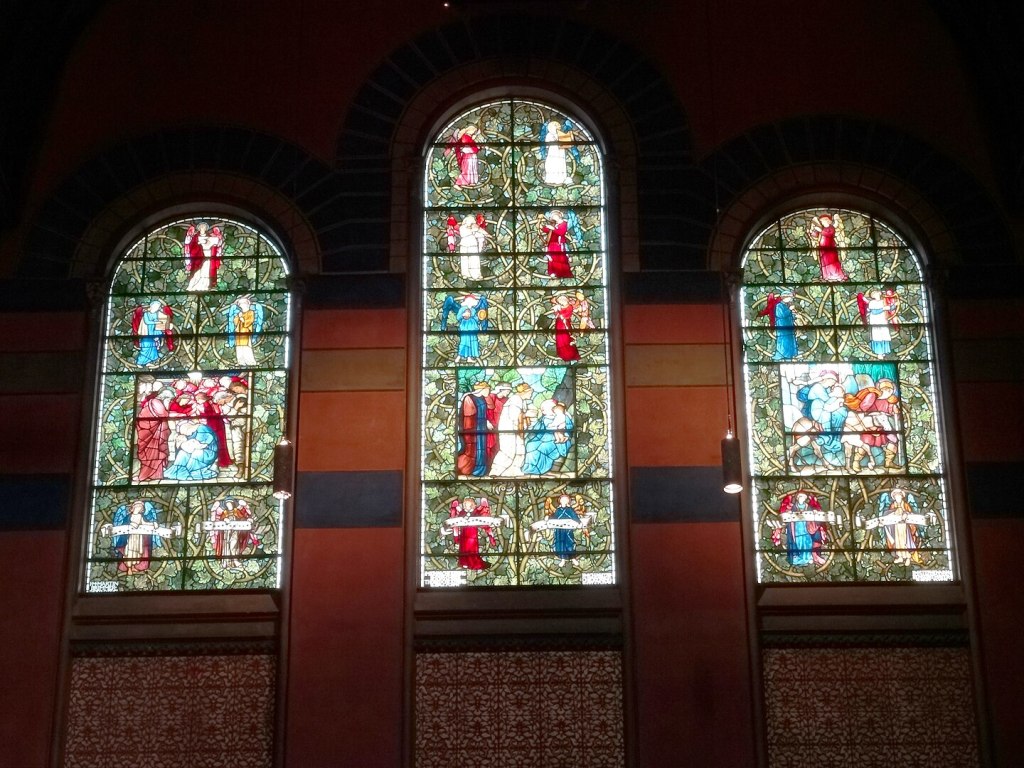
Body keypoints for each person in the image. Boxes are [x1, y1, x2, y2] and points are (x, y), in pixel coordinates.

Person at [843, 378, 902, 469]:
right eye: (884, 389)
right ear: (879, 389)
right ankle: (856, 463)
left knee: (893, 441)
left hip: (882, 429)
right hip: (869, 427)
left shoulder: (890, 403)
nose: (887, 392)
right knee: (864, 444)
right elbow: (862, 410)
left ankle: (888, 462)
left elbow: (895, 415)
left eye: (889, 390)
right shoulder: (872, 398)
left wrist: (896, 411)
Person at [772, 491, 828, 567]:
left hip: (806, 528)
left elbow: (813, 515)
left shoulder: (808, 507)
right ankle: (800, 558)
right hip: (797, 529)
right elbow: (787, 516)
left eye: (803, 497)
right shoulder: (793, 507)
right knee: (799, 542)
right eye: (800, 497)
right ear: (797, 498)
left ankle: (808, 557)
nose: (801, 498)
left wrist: (814, 511)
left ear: (805, 498)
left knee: (807, 542)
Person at [490, 382, 533, 476]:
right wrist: (527, 415)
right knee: (507, 450)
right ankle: (495, 471)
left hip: (516, 430)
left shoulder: (521, 400)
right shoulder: (515, 400)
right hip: (508, 429)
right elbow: (514, 416)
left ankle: (513, 470)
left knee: (520, 450)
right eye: (530, 392)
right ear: (525, 392)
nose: (531, 395)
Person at [876, 487, 925, 567]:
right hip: (896, 527)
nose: (897, 497)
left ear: (902, 496)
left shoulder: (905, 505)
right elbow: (888, 515)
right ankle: (900, 557)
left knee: (905, 542)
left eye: (899, 496)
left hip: (905, 527)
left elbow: (910, 513)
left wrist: (906, 513)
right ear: (894, 497)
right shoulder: (893, 505)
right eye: (895, 496)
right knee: (898, 543)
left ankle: (908, 557)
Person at [523, 399, 573, 475]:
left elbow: (569, 429)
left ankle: (539, 469)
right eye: (542, 409)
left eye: (544, 409)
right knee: (530, 444)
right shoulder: (544, 418)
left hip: (557, 442)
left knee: (541, 447)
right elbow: (536, 429)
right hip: (542, 438)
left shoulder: (564, 417)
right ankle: (529, 469)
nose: (542, 411)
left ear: (553, 409)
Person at [111, 500, 163, 573]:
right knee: (129, 552)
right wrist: (133, 525)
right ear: (133, 508)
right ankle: (128, 568)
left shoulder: (141, 516)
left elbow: (145, 523)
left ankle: (132, 567)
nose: (139, 508)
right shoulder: (128, 517)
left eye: (141, 507)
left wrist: (153, 524)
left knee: (137, 553)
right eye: (138, 506)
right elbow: (125, 526)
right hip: (130, 539)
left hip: (138, 539)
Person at [135, 382, 172, 482]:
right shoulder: (156, 402)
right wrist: (167, 408)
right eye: (169, 399)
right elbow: (163, 414)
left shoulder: (156, 402)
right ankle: (145, 475)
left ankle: (156, 474)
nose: (169, 401)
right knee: (151, 453)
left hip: (156, 431)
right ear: (165, 397)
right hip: (151, 432)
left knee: (156, 453)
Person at [447, 497, 496, 570]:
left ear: (472, 505)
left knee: (471, 548)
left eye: (467, 505)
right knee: (463, 548)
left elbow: (480, 518)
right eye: (465, 505)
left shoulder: (475, 512)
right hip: (464, 533)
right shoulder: (462, 512)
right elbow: (458, 518)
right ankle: (464, 563)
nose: (466, 506)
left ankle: (473, 563)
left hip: (472, 533)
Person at [456, 382, 494, 477]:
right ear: (482, 389)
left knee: (482, 449)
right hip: (472, 428)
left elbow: (491, 407)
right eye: (488, 389)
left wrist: (486, 422)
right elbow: (468, 416)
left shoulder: (483, 398)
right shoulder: (469, 398)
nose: (489, 391)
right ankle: (469, 468)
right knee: (472, 450)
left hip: (482, 427)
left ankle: (481, 469)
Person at [209, 497, 259, 567]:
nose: (229, 505)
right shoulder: (224, 513)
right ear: (226, 505)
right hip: (226, 534)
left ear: (233, 504)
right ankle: (226, 562)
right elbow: (219, 522)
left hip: (236, 532)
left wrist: (247, 520)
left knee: (233, 544)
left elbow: (243, 518)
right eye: (227, 503)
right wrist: (224, 519)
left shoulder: (237, 511)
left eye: (230, 503)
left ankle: (235, 560)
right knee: (226, 546)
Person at [439, 293, 489, 362]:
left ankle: (469, 358)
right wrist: (463, 315)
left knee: (471, 343)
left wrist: (480, 319)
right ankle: (458, 357)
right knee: (464, 343)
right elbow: (458, 317)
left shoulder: (473, 310)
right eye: (469, 301)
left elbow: (476, 318)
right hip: (465, 328)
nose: (470, 303)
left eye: (472, 301)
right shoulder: (462, 309)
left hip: (472, 329)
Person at [807, 212, 848, 281]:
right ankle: (827, 276)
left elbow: (829, 234)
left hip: (830, 247)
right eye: (821, 221)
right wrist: (811, 232)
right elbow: (815, 236)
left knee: (832, 261)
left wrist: (820, 230)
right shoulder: (822, 228)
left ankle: (837, 276)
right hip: (822, 248)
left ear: (827, 220)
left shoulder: (831, 228)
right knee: (824, 262)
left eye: (823, 221)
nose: (822, 222)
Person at [757, 291, 798, 360]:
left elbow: (789, 316)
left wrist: (794, 315)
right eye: (790, 298)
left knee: (790, 340)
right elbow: (781, 315)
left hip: (789, 326)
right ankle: (782, 354)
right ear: (784, 297)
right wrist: (789, 310)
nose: (791, 299)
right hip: (782, 326)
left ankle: (790, 355)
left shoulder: (786, 305)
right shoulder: (779, 306)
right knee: (783, 341)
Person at [132, 301, 174, 366]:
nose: (157, 309)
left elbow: (157, 320)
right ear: (152, 307)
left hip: (152, 330)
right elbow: (147, 322)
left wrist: (160, 324)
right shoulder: (146, 314)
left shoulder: (155, 313)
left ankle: (148, 362)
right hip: (146, 332)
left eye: (158, 308)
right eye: (156, 307)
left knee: (153, 347)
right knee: (146, 347)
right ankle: (139, 363)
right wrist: (156, 322)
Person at [184, 222, 224, 291]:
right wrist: (199, 243)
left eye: (204, 227)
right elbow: (191, 248)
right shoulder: (195, 237)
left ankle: (205, 286)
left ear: (206, 228)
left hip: (208, 254)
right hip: (198, 256)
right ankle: (194, 286)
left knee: (206, 270)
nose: (203, 228)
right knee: (197, 271)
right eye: (201, 227)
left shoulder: (210, 236)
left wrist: (212, 243)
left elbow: (215, 245)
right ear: (199, 228)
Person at [857, 289, 899, 357]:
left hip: (883, 321)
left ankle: (884, 351)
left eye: (876, 293)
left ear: (879, 293)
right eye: (873, 294)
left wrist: (895, 305)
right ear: (872, 296)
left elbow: (890, 308)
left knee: (884, 335)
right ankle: (879, 353)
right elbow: (875, 312)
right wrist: (885, 308)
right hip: (875, 321)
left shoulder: (883, 302)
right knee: (877, 336)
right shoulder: (872, 303)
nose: (875, 295)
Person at [226, 296, 264, 367]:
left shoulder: (251, 312)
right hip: (238, 333)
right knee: (239, 347)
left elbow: (249, 321)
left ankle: (250, 362)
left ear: (247, 304)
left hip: (246, 332)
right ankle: (240, 362)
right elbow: (235, 322)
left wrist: (242, 319)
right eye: (240, 304)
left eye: (243, 304)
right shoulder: (240, 313)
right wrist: (238, 318)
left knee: (246, 347)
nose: (241, 305)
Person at [539, 209, 573, 278]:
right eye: (552, 217)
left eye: (554, 216)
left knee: (560, 258)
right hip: (551, 245)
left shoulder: (564, 223)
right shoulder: (554, 224)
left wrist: (553, 228)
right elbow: (545, 230)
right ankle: (553, 272)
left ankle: (563, 273)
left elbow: (561, 232)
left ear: (558, 216)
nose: (553, 218)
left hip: (559, 245)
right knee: (551, 258)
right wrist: (540, 224)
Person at [539, 120, 572, 185]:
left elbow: (566, 142)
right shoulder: (548, 135)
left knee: (560, 164)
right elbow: (547, 144)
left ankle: (560, 179)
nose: (555, 129)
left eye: (556, 127)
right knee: (550, 163)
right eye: (553, 127)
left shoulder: (560, 134)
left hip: (560, 151)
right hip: (552, 151)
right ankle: (550, 179)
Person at [551, 294, 581, 361]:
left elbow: (566, 314)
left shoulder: (569, 307)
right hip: (559, 325)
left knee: (566, 339)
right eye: (560, 299)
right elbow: (557, 315)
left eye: (563, 299)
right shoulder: (559, 307)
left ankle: (569, 355)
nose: (562, 300)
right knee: (560, 340)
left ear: (567, 300)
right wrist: (557, 310)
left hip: (565, 326)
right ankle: (562, 354)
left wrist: (558, 311)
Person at [458, 214, 486, 279]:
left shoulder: (473, 228)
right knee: (464, 259)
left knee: (474, 259)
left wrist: (484, 235)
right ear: (466, 221)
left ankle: (476, 275)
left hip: (472, 245)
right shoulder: (462, 228)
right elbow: (466, 233)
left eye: (473, 222)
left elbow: (478, 234)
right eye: (471, 221)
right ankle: (465, 274)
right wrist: (476, 229)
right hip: (464, 245)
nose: (472, 223)